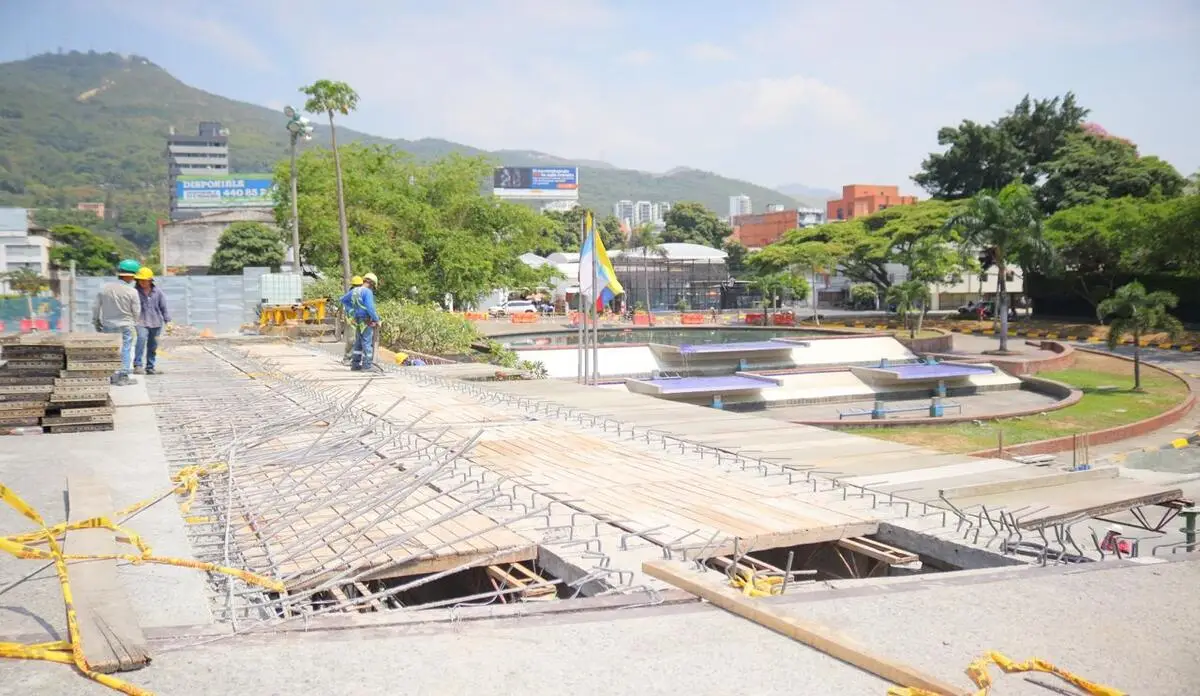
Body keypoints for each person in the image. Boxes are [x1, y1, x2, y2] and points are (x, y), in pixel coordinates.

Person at [92, 259, 142, 386]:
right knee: (126, 348)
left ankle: (111, 375)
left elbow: (96, 307)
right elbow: (136, 311)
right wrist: (135, 323)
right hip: (126, 325)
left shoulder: (104, 288)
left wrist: (96, 321)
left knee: (110, 350)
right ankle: (123, 376)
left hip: (108, 325)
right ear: (131, 275)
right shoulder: (132, 291)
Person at [132, 267, 170, 375]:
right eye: (140, 280)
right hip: (140, 321)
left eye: (144, 280)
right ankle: (138, 365)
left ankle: (150, 367)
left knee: (153, 346)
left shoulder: (158, 292)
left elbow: (163, 307)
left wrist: (168, 321)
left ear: (150, 280)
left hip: (156, 322)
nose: (142, 282)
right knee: (141, 340)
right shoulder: (134, 292)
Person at [348, 272, 381, 371]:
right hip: (366, 321)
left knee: (358, 342)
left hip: (358, 320)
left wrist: (352, 314)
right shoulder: (367, 292)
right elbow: (370, 308)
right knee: (367, 342)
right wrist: (377, 319)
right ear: (371, 284)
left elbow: (344, 300)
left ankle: (355, 364)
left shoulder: (355, 291)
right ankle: (367, 366)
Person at [339, 275, 363, 363]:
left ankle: (355, 359)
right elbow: (342, 300)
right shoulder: (351, 293)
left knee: (358, 339)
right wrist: (350, 310)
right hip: (352, 319)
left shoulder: (361, 293)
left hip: (360, 319)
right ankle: (347, 358)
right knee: (351, 339)